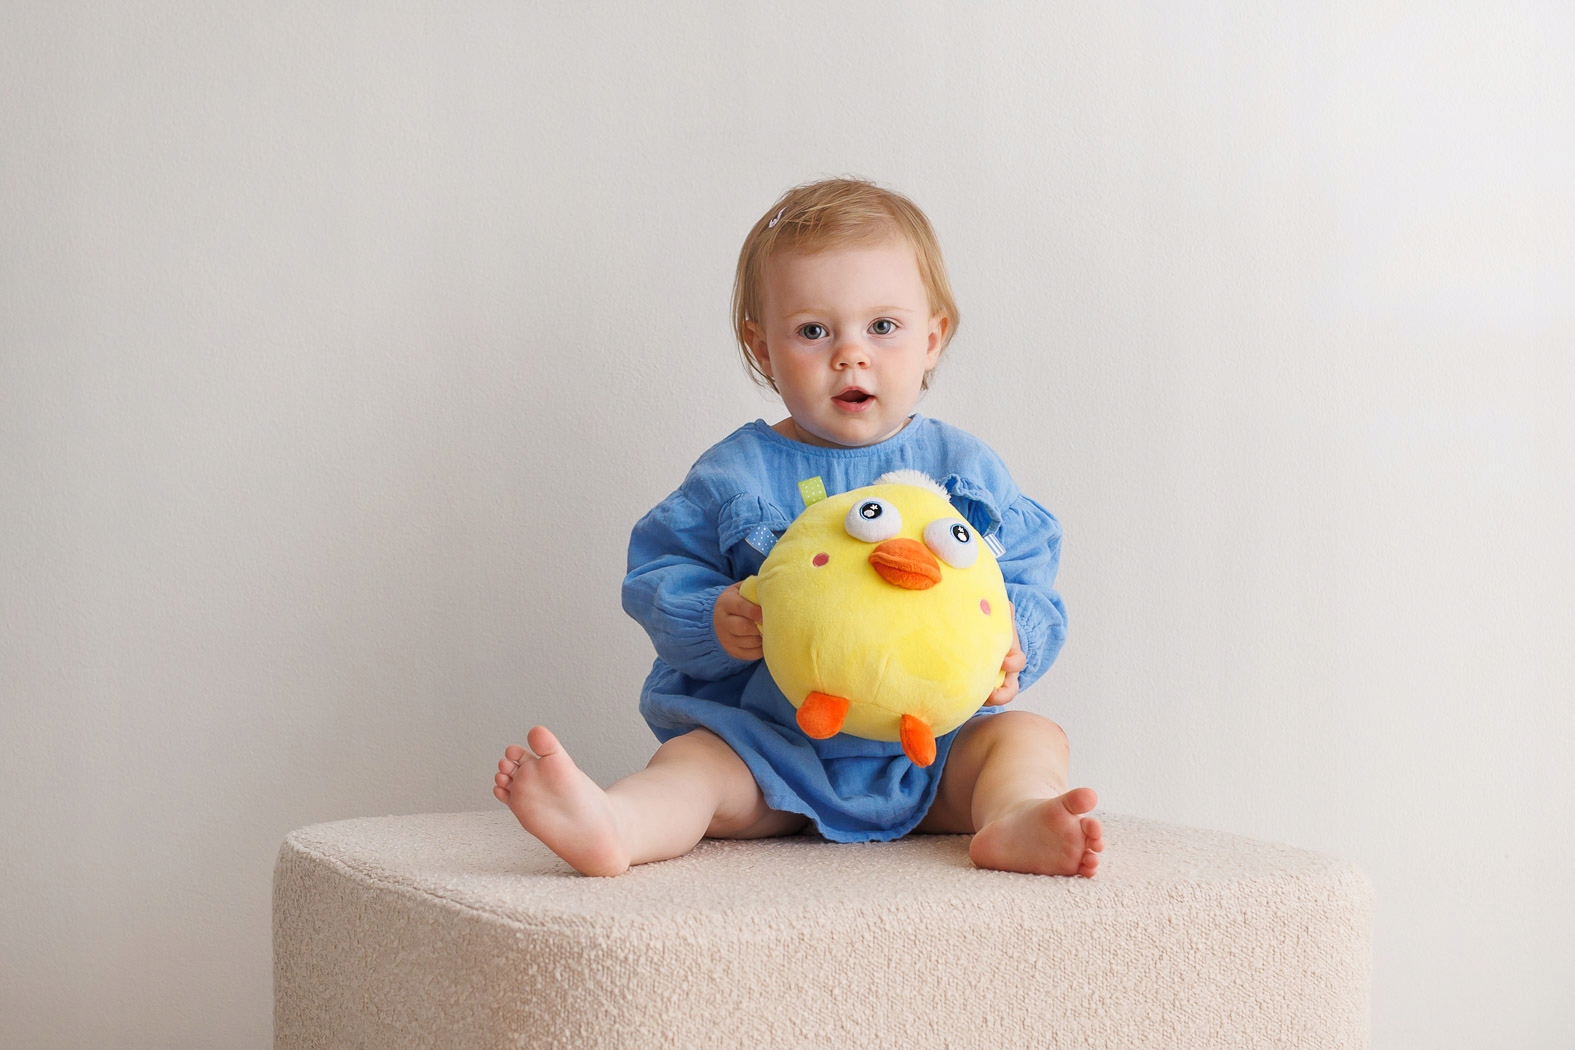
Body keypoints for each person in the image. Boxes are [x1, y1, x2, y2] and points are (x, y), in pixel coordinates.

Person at [493, 177, 1103, 878]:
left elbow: (1026, 575)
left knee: (1029, 738)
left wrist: (1012, 645)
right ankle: (619, 824)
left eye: (883, 327)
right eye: (814, 331)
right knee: (694, 764)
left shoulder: (964, 469)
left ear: (932, 339)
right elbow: (659, 574)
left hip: (932, 752)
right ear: (762, 349)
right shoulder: (737, 474)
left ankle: (1016, 815)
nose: (851, 354)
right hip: (772, 749)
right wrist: (713, 618)